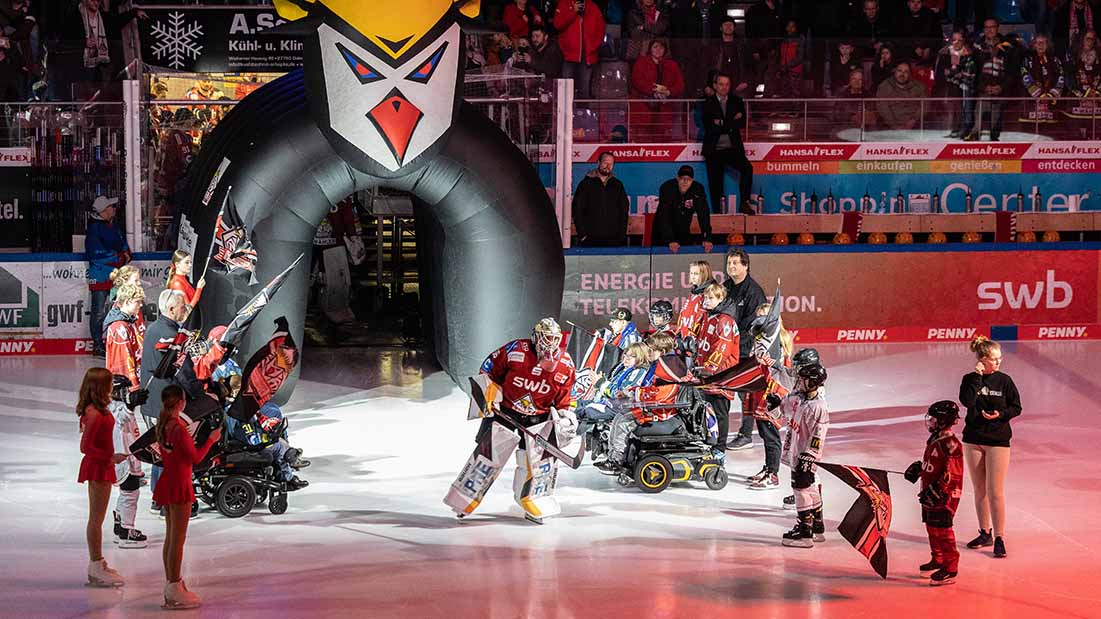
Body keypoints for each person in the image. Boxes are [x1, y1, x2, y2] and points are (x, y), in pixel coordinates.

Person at [444, 318, 577, 524]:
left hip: (538, 419)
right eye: (546, 337)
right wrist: (487, 393)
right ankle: (463, 500)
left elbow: (566, 397)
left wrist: (566, 417)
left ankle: (534, 503)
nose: (550, 343)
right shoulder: (517, 350)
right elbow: (489, 367)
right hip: (505, 413)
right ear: (535, 336)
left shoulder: (566, 364)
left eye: (554, 338)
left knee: (536, 463)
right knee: (487, 458)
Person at [154, 385, 221, 609]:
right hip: (180, 484)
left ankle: (172, 582)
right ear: (181, 403)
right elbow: (195, 458)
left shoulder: (163, 424)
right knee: (178, 540)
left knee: (170, 537)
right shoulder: (179, 429)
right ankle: (173, 587)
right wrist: (211, 439)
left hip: (168, 481)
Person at [958, 335, 1021, 559]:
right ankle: (984, 532)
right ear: (982, 359)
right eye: (994, 359)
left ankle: (999, 537)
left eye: (1000, 358)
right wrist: (977, 376)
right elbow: (967, 401)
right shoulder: (969, 379)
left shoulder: (1005, 381)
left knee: (995, 491)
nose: (999, 362)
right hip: (973, 439)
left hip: (998, 441)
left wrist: (1000, 415)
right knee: (979, 490)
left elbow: (1016, 407)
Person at [77, 367, 130, 587]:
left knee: (98, 517)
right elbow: (85, 446)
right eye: (109, 383)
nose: (112, 387)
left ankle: (98, 562)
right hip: (98, 467)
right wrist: (111, 457)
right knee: (96, 519)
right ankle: (96, 564)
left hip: (103, 464)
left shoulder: (97, 410)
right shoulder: (95, 414)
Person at [904, 400, 965, 586]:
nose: (930, 422)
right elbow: (934, 465)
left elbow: (953, 473)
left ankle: (950, 567)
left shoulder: (951, 444)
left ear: (943, 420)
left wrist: (940, 491)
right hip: (929, 493)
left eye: (933, 418)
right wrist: (920, 469)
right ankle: (937, 560)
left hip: (944, 497)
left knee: (943, 531)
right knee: (931, 527)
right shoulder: (935, 439)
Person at [775, 363, 829, 547]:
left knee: (801, 489)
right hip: (796, 452)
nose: (799, 382)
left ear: (812, 382)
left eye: (803, 379)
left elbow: (819, 434)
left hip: (804, 456)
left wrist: (809, 456)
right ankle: (818, 528)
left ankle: (805, 533)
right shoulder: (800, 398)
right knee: (811, 487)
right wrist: (777, 403)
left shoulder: (818, 407)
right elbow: (786, 406)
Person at [744, 301, 793, 490]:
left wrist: (768, 360)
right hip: (760, 391)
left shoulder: (779, 342)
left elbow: (780, 369)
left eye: (765, 318)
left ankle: (773, 475)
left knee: (771, 434)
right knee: (764, 434)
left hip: (772, 393)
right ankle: (767, 468)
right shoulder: (761, 340)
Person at [722, 248, 767, 451]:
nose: (731, 266)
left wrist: (732, 340)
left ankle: (746, 434)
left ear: (745, 266)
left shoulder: (754, 292)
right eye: (729, 263)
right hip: (726, 346)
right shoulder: (726, 286)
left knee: (745, 392)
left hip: (744, 349)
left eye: (735, 263)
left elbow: (752, 325)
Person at [692, 283, 740, 450]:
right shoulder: (707, 316)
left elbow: (722, 349)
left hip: (721, 375)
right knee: (707, 410)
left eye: (711, 298)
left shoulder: (725, 321)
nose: (707, 300)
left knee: (720, 413)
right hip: (706, 376)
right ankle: (709, 441)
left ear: (721, 299)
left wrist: (707, 369)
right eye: (706, 297)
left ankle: (719, 448)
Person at [702, 73, 754, 215]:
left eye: (727, 84)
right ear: (715, 86)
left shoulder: (737, 101)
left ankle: (744, 203)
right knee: (716, 185)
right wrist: (731, 122)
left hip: (733, 148)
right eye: (721, 84)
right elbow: (709, 126)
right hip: (714, 150)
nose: (724, 87)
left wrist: (721, 122)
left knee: (747, 169)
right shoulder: (707, 103)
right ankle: (718, 215)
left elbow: (742, 123)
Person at [85, 195, 131, 357]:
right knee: (98, 311)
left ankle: (117, 341)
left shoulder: (113, 225)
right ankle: (98, 345)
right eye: (111, 207)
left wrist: (125, 252)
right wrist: (119, 257)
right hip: (100, 277)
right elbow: (95, 254)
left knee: (117, 309)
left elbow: (121, 242)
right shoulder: (94, 229)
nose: (114, 209)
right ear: (103, 211)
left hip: (113, 276)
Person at [576, 341, 652, 436]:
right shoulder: (623, 369)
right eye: (625, 355)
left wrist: (600, 383)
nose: (626, 359)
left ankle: (577, 439)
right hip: (607, 403)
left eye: (632, 356)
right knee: (576, 404)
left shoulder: (639, 372)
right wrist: (598, 385)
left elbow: (618, 393)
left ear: (641, 357)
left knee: (586, 410)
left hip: (619, 409)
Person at [110, 374, 149, 549]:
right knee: (130, 495)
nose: (126, 392)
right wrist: (130, 405)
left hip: (128, 456)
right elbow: (122, 418)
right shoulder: (113, 408)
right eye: (123, 389)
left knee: (126, 493)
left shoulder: (117, 406)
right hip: (123, 458)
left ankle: (120, 527)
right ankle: (127, 532)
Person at [572, 152, 630, 247]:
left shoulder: (617, 184)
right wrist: (582, 235)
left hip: (614, 239)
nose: (607, 166)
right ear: (598, 162)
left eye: (611, 164)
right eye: (605, 163)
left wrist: (621, 235)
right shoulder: (585, 184)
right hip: (590, 239)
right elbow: (577, 209)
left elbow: (624, 210)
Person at [651, 165, 712, 253]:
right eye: (682, 178)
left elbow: (704, 214)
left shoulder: (698, 189)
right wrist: (670, 240)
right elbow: (664, 216)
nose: (685, 182)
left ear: (692, 180)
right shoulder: (667, 188)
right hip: (662, 234)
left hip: (683, 231)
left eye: (688, 179)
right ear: (677, 178)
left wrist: (707, 238)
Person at [553, 0, 605, 98]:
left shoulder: (592, 6)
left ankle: (583, 113)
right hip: (568, 55)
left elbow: (601, 29)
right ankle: (566, 113)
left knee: (584, 91)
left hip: (587, 56)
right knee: (565, 91)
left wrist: (593, 47)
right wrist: (573, 11)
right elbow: (557, 24)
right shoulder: (564, 3)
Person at [104, 283, 144, 391]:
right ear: (127, 302)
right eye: (138, 302)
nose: (141, 305)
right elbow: (123, 361)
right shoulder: (119, 327)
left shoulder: (128, 321)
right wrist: (134, 386)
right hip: (123, 385)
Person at [976, 19, 1011, 141]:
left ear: (997, 28)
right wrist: (983, 87)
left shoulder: (1007, 46)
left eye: (992, 27)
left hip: (1000, 90)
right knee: (979, 116)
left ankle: (995, 142)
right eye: (986, 27)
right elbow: (974, 71)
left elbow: (1011, 72)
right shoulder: (976, 47)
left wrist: (1000, 87)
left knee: (996, 124)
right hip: (982, 90)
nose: (989, 30)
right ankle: (975, 139)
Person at [876, 61, 927, 130]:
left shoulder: (918, 86)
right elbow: (883, 108)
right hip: (891, 127)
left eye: (906, 72)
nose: (902, 74)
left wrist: (913, 120)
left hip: (915, 126)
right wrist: (895, 126)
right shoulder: (884, 86)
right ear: (894, 71)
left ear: (909, 74)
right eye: (899, 71)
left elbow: (925, 105)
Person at [675, 260, 715, 340]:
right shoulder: (693, 294)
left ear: (704, 274)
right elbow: (683, 316)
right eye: (691, 273)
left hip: (700, 343)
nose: (692, 276)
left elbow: (705, 320)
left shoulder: (710, 294)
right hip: (686, 341)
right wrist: (679, 333)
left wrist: (694, 339)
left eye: (696, 274)